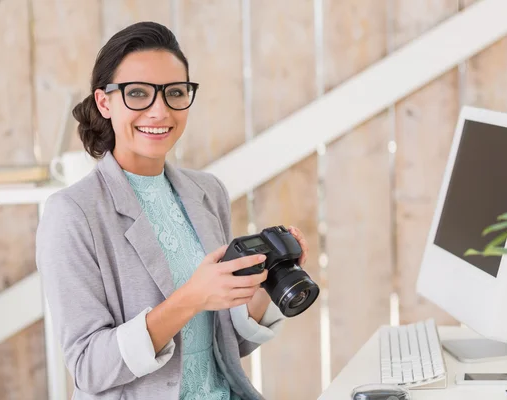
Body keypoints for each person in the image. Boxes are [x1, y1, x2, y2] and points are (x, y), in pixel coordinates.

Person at [35, 21, 310, 400]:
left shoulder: (207, 192)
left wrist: (266, 285)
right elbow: (88, 367)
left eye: (175, 92)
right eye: (138, 94)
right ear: (104, 102)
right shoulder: (72, 214)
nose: (160, 111)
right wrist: (191, 297)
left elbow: (227, 348)